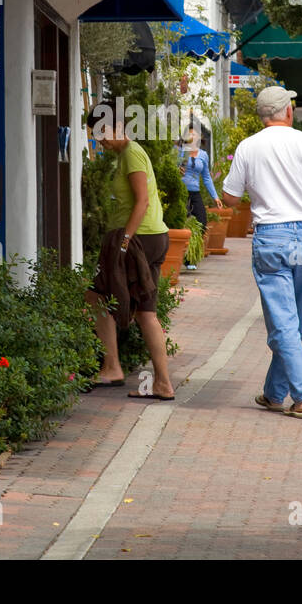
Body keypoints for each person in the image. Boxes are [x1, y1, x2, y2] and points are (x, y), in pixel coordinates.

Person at [222, 86, 302, 420]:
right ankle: (273, 393)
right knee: (291, 322)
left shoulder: (248, 147)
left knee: (283, 323)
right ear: (289, 112)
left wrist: (254, 187)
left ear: (261, 116)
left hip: (272, 239)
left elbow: (230, 200)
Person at [84, 108, 176, 400]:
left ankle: (118, 369)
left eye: (102, 133)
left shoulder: (132, 154)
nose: (100, 141)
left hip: (139, 239)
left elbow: (142, 201)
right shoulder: (126, 155)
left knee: (102, 298)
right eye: (95, 136)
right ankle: (150, 379)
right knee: (134, 308)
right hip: (146, 237)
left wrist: (124, 242)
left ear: (118, 126)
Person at [178, 127, 222, 269]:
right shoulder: (180, 152)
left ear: (199, 137)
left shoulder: (203, 155)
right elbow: (171, 169)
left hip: (195, 193)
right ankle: (181, 256)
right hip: (181, 193)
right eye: (189, 133)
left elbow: (207, 177)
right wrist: (176, 170)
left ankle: (189, 258)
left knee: (201, 222)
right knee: (181, 224)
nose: (192, 135)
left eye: (195, 133)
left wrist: (215, 197)